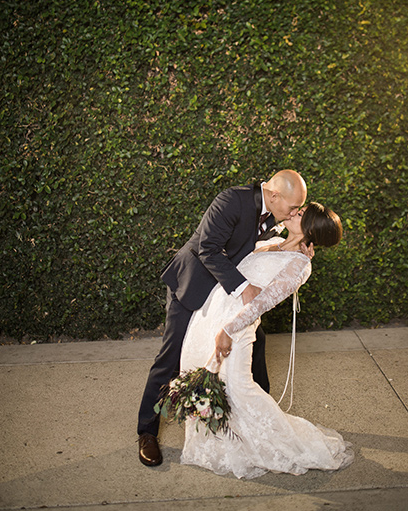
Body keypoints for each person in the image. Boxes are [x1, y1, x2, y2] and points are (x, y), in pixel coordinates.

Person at [137, 170, 309, 466]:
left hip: (224, 296)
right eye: (293, 208)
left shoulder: (272, 216)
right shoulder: (232, 200)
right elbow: (209, 250)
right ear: (275, 195)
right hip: (193, 287)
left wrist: (296, 245)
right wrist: (244, 288)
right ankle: (147, 432)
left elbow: (253, 248)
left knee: (255, 344)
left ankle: (258, 420)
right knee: (171, 358)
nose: (295, 213)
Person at [179, 202, 354, 479]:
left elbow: (261, 303)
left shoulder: (299, 265)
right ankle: (223, 440)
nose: (294, 212)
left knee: (240, 387)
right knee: (214, 380)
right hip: (215, 312)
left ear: (310, 229)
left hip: (236, 325)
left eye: (301, 214)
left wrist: (228, 330)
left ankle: (283, 447)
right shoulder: (274, 241)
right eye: (298, 209)